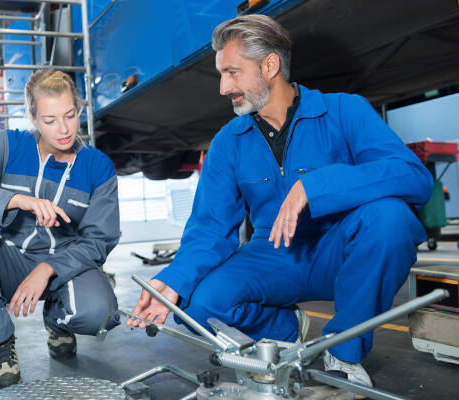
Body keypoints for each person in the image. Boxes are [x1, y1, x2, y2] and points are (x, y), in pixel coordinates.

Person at [128, 14, 432, 389]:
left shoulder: (343, 111)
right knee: (196, 305)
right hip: (272, 255)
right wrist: (170, 281)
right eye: (222, 74)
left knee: (390, 219)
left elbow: (413, 178)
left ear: (269, 65)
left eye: (232, 72)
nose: (224, 87)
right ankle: (286, 331)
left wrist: (316, 186)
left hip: (340, 250)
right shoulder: (228, 141)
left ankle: (344, 353)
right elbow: (209, 227)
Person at [0, 70, 121, 393]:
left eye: (70, 115)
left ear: (79, 109)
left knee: (99, 314)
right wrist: (15, 200)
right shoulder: (4, 147)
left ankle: (56, 317)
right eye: (50, 120)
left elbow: (98, 239)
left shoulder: (98, 167)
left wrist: (49, 268)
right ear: (33, 117)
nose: (63, 129)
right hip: (9, 262)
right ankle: (1, 344)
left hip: (64, 266)